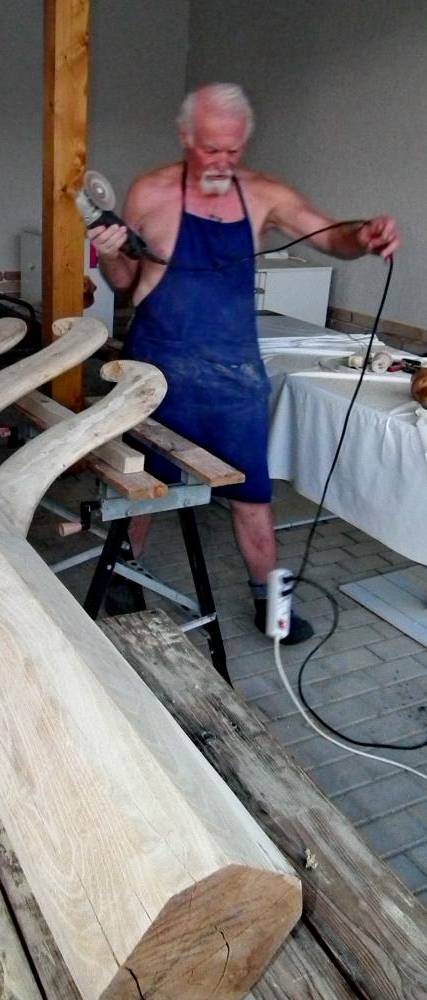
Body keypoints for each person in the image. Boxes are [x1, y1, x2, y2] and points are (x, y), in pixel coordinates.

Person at [91, 82, 398, 643]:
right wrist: (110, 256)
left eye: (233, 150)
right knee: (141, 487)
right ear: (185, 136)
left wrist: (365, 235)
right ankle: (122, 580)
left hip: (234, 375)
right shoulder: (150, 192)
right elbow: (126, 283)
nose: (222, 162)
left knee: (253, 497)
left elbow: (332, 236)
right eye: (210, 148)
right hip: (154, 367)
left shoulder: (264, 194)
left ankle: (272, 607)